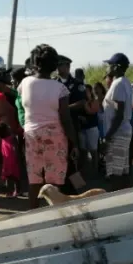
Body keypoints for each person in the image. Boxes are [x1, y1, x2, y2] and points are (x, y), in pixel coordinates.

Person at [18, 44, 79, 209]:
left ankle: (33, 212)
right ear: (54, 65)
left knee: (34, 178)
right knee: (54, 180)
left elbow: (24, 106)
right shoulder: (60, 89)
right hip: (55, 136)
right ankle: (52, 214)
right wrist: (73, 142)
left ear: (34, 63)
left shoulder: (24, 83)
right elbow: (66, 119)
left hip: (31, 134)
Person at [101, 53, 133, 190]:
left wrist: (107, 137)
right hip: (123, 130)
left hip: (118, 132)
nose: (107, 68)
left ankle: (116, 201)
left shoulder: (118, 84)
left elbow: (119, 113)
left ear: (115, 67)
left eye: (109, 65)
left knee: (115, 173)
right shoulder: (125, 82)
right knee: (122, 170)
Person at [56, 55, 87, 194]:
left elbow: (82, 102)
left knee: (73, 158)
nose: (58, 67)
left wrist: (65, 108)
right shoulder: (53, 83)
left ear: (68, 67)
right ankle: (60, 189)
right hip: (56, 126)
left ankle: (77, 191)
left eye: (61, 65)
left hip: (72, 125)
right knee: (58, 157)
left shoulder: (77, 84)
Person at [81, 85, 102, 176]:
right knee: (83, 151)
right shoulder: (81, 101)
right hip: (82, 129)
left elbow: (91, 111)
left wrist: (86, 103)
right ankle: (85, 171)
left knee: (94, 151)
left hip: (92, 128)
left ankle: (95, 171)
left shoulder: (95, 101)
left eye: (87, 91)